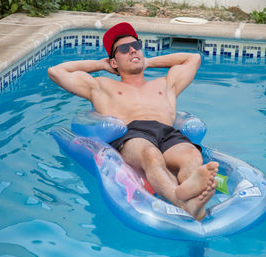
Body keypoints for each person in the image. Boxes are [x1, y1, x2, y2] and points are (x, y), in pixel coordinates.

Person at [48, 22, 218, 220]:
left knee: (191, 155)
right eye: (123, 49)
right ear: (114, 62)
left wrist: (148, 61)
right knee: (150, 154)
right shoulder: (101, 86)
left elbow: (193, 58)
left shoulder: (165, 84)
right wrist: (101, 65)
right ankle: (179, 198)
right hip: (133, 134)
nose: (132, 50)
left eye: (136, 46)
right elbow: (56, 71)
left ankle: (193, 197)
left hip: (167, 133)